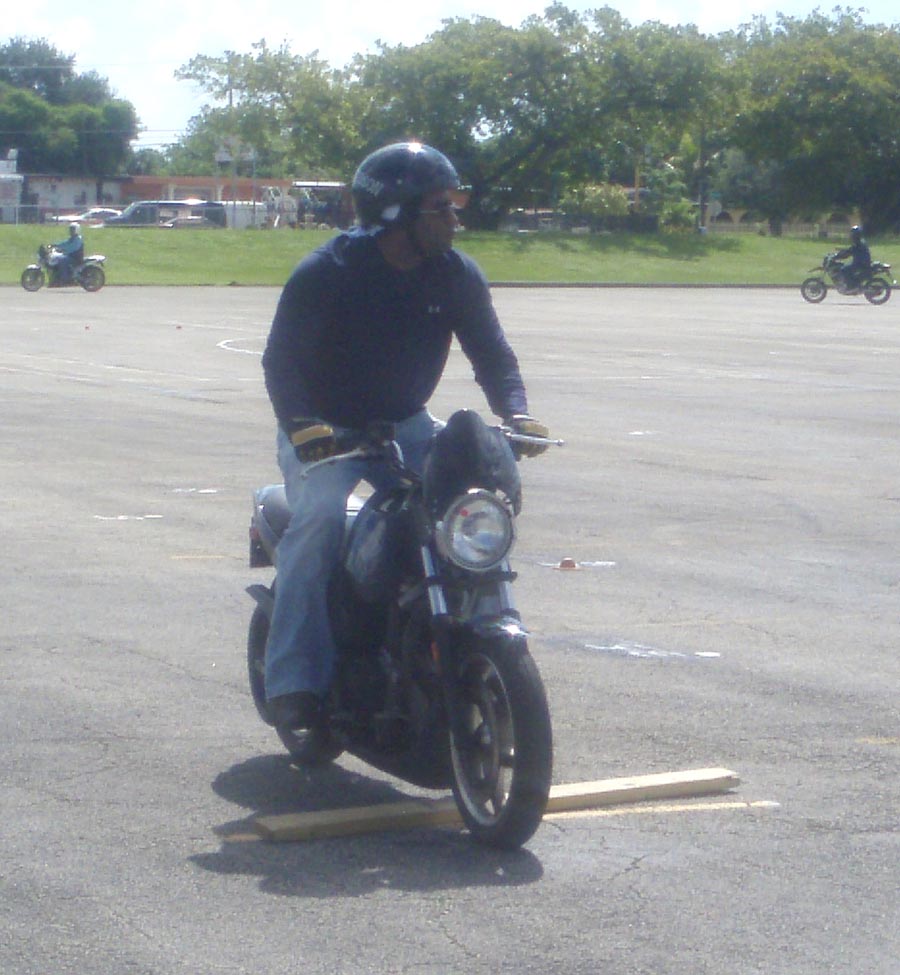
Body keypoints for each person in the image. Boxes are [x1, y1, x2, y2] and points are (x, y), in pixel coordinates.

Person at [261, 141, 550, 731]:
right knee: (318, 521)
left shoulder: (455, 274)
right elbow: (281, 362)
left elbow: (492, 354)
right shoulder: (329, 272)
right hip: (327, 433)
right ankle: (294, 681)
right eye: (441, 207)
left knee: (471, 502)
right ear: (395, 213)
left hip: (408, 424)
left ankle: (469, 630)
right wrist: (303, 427)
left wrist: (516, 415)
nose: (455, 219)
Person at [834, 225, 871, 290]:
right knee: (847, 268)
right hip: (862, 262)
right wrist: (841, 250)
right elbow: (850, 250)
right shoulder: (860, 242)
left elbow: (849, 252)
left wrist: (837, 256)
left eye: (852, 234)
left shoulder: (858, 244)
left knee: (843, 269)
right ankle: (853, 284)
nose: (851, 236)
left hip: (860, 264)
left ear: (856, 235)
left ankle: (851, 286)